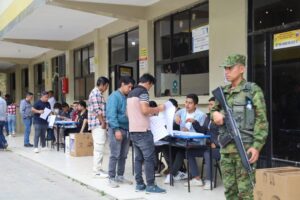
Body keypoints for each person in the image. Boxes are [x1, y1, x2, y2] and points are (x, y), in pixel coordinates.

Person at [211, 54, 268, 200]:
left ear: (241, 69)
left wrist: (256, 146)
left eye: (230, 68)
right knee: (230, 191)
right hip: (226, 150)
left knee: (245, 193)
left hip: (245, 147)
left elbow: (261, 121)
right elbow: (212, 110)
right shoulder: (222, 92)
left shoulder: (252, 90)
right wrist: (215, 114)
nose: (226, 71)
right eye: (225, 68)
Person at [127, 73, 166, 193]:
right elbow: (144, 110)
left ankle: (139, 184)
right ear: (148, 82)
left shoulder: (130, 94)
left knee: (138, 158)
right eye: (151, 86)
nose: (150, 88)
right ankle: (150, 185)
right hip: (143, 131)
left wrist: (147, 113)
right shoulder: (143, 92)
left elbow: (128, 113)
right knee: (149, 159)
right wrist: (158, 109)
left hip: (133, 130)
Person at [164, 94, 206, 184]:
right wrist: (176, 117)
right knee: (167, 146)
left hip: (196, 141)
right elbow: (174, 115)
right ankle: (178, 172)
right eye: (186, 102)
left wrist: (190, 130)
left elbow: (202, 132)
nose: (187, 105)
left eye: (190, 103)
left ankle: (172, 174)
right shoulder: (182, 111)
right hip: (182, 140)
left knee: (181, 151)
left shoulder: (201, 115)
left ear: (195, 105)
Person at [185, 97, 221, 189]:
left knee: (207, 153)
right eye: (209, 104)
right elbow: (203, 130)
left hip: (218, 149)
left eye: (211, 104)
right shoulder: (208, 117)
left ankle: (210, 181)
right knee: (189, 151)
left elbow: (224, 134)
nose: (209, 107)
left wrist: (216, 143)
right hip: (207, 146)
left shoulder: (221, 118)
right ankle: (197, 179)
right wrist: (195, 122)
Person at [106, 76, 135, 188]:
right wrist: (116, 129)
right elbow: (111, 115)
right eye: (129, 87)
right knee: (115, 154)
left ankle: (120, 176)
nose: (130, 89)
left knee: (123, 155)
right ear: (122, 84)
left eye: (131, 87)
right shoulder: (114, 97)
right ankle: (111, 178)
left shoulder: (126, 97)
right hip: (116, 129)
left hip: (127, 129)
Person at [88, 76, 109, 178]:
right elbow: (97, 110)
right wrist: (102, 122)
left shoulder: (97, 93)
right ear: (103, 85)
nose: (106, 88)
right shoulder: (95, 93)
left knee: (99, 147)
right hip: (98, 124)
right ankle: (96, 171)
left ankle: (98, 168)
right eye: (107, 86)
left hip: (98, 123)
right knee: (99, 147)